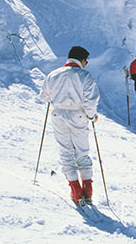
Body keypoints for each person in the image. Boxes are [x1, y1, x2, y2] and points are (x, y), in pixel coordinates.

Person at [41, 45, 101, 205]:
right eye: (85, 61)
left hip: (59, 114)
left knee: (66, 151)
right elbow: (91, 99)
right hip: (78, 115)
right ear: (82, 60)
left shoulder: (52, 75)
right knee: (82, 151)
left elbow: (44, 96)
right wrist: (91, 115)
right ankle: (87, 189)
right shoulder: (85, 75)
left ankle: (75, 190)